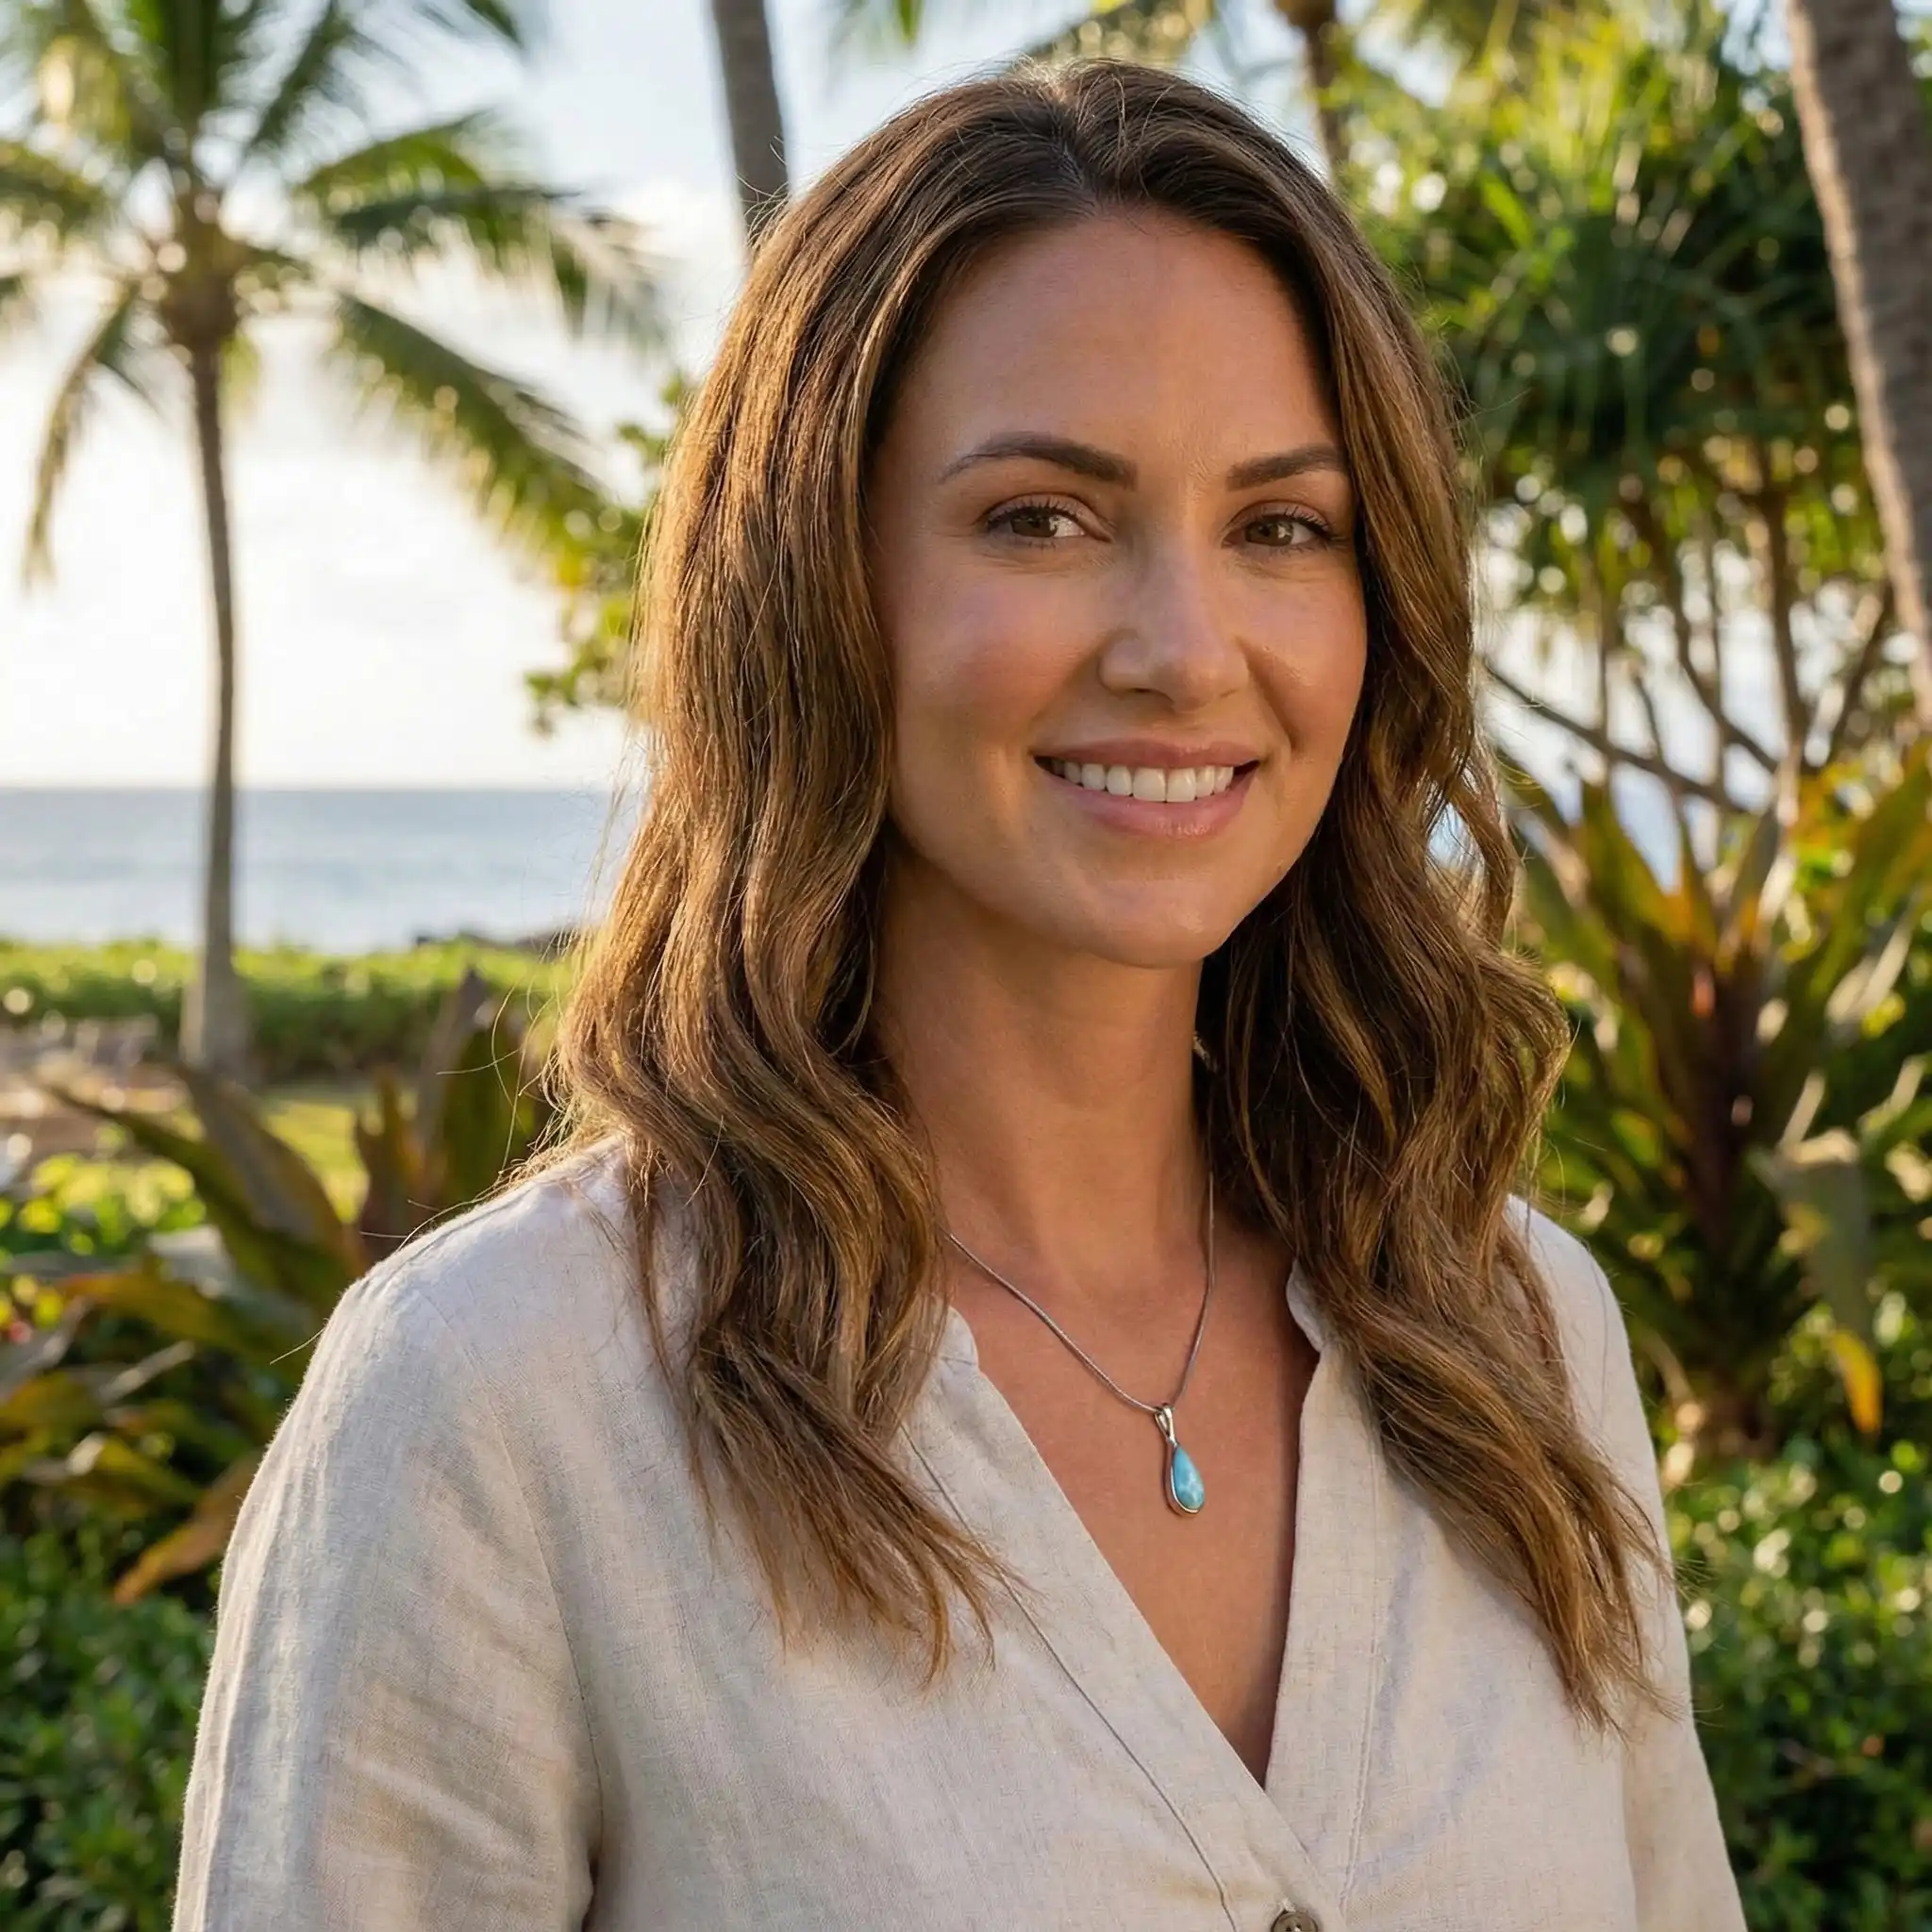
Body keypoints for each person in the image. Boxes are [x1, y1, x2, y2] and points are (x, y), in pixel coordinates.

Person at [171, 59, 1744, 1932]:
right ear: (814, 585)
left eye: (1282, 528)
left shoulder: (1519, 1333)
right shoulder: (501, 1403)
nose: (1181, 647)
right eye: (1039, 519)